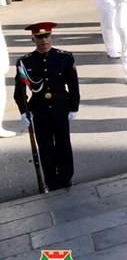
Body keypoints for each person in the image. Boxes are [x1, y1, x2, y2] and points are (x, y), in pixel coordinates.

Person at [13, 22, 79, 190]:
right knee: (45, 146)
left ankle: (66, 177)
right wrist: (23, 111)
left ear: (52, 37)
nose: (44, 41)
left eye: (47, 36)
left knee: (63, 143)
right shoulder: (25, 62)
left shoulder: (64, 57)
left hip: (60, 106)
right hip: (39, 109)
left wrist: (73, 107)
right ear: (33, 39)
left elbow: (73, 85)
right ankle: (51, 180)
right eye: (40, 38)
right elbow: (19, 90)